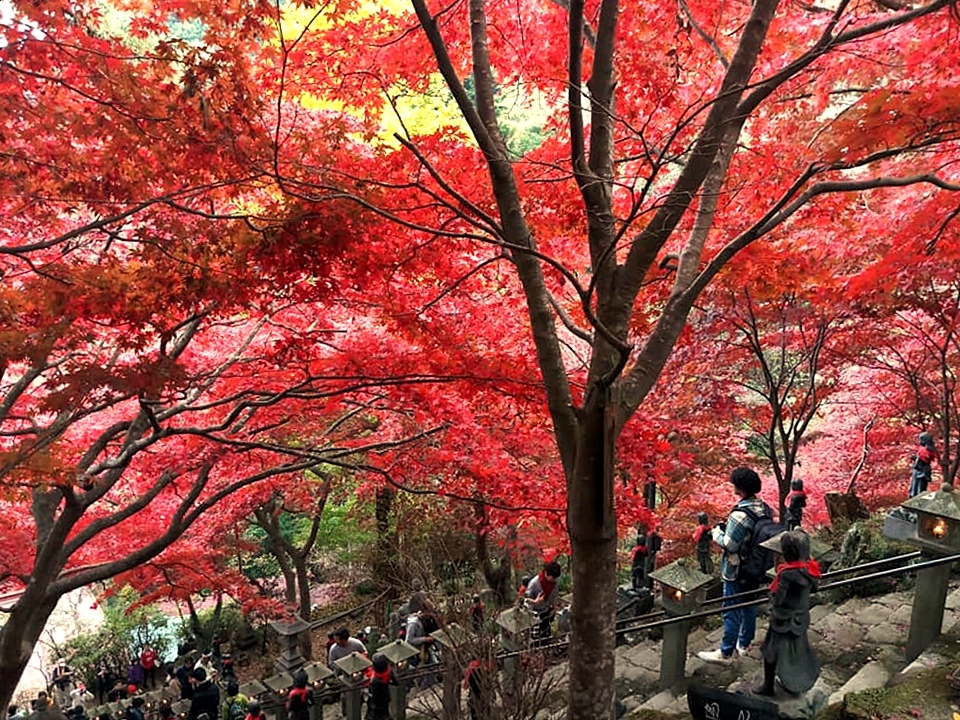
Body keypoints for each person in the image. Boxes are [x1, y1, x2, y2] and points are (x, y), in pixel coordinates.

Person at [697, 466, 773, 663]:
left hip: (736, 569)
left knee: (731, 609)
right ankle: (744, 644)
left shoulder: (740, 514)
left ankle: (726, 652)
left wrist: (716, 533)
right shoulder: (763, 507)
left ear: (739, 487)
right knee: (749, 605)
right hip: (755, 566)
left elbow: (730, 544)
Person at [754, 531, 821, 696]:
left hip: (783, 620)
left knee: (770, 653)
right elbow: (814, 589)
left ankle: (768, 687)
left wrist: (770, 598)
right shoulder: (810, 570)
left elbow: (778, 600)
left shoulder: (786, 574)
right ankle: (795, 683)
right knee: (798, 652)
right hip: (801, 617)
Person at [524, 560, 563, 642]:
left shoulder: (554, 583)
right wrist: (535, 601)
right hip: (534, 614)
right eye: (552, 578)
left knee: (546, 636)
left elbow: (554, 596)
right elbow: (525, 600)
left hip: (546, 611)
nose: (554, 580)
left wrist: (554, 607)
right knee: (536, 640)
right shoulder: (534, 584)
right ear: (546, 573)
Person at [909, 432, 938, 498]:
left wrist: (916, 460)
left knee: (917, 488)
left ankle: (915, 500)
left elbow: (920, 462)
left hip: (920, 472)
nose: (919, 441)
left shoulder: (924, 450)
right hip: (923, 471)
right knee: (918, 487)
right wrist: (915, 458)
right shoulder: (929, 450)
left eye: (920, 439)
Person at [366, 655, 394, 720]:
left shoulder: (375, 679)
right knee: (384, 712)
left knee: (376, 714)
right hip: (384, 696)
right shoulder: (389, 673)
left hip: (377, 699)